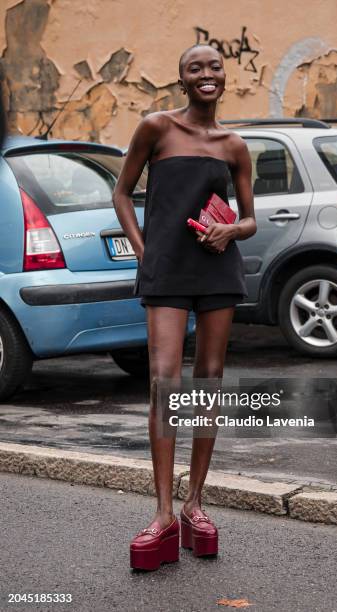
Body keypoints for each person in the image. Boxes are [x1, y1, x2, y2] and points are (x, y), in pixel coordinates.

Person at [113, 43, 256, 571]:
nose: (206, 74)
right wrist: (145, 252)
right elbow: (122, 192)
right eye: (195, 68)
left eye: (214, 66)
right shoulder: (156, 128)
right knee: (164, 379)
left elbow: (251, 219)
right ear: (182, 80)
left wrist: (231, 229)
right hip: (166, 271)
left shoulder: (235, 144)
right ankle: (164, 514)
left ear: (224, 76)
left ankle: (197, 506)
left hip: (218, 270)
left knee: (209, 381)